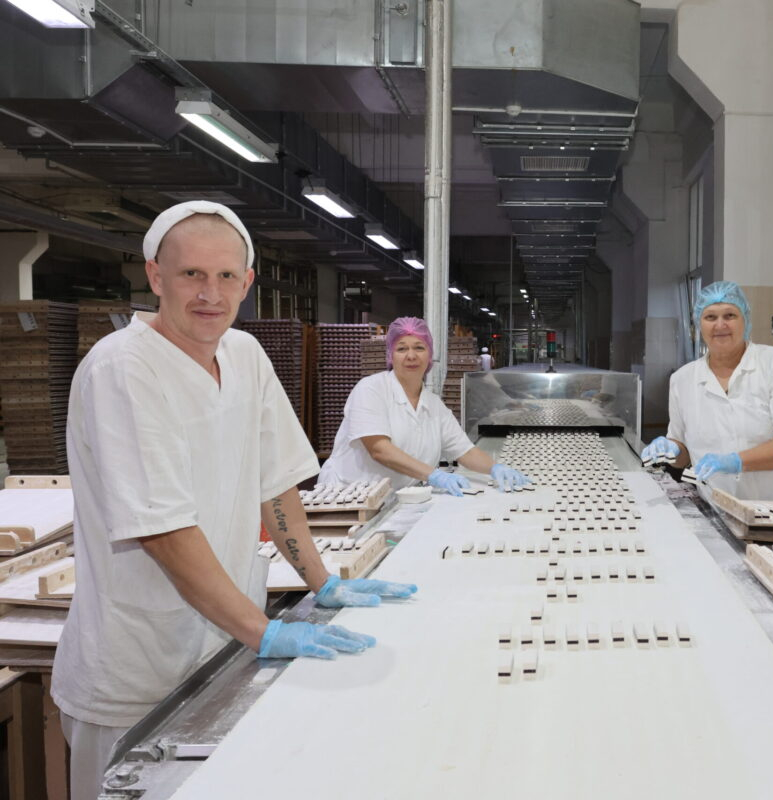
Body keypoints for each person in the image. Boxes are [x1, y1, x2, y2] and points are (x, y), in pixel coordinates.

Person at [53, 201, 415, 800]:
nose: (210, 294)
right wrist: (264, 632)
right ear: (155, 276)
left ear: (247, 283)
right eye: (191, 274)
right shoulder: (123, 369)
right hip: (135, 668)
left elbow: (277, 484)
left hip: (223, 648)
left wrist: (322, 581)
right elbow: (163, 532)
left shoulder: (244, 354)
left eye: (225, 276)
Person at [641, 281, 773, 502]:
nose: (720, 325)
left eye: (730, 315)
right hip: (721, 506)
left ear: (745, 321)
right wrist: (670, 450)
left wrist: (736, 461)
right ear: (698, 325)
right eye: (710, 317)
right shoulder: (682, 379)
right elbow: (683, 455)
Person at [318, 317, 530, 495]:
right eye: (402, 348)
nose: (411, 356)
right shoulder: (371, 389)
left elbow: (465, 451)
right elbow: (379, 450)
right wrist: (433, 475)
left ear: (429, 355)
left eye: (419, 347)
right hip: (348, 497)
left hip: (395, 499)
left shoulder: (433, 405)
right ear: (391, 355)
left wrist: (495, 468)